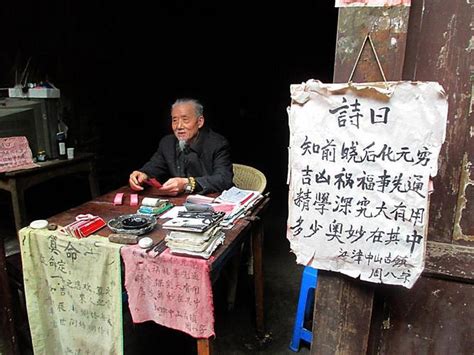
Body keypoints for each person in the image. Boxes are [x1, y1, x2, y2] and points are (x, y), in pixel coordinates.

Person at [129, 98, 234, 196]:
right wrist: (142, 174)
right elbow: (154, 167)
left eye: (185, 120)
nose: (179, 126)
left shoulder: (217, 143)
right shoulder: (167, 143)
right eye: (174, 120)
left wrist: (187, 183)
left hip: (212, 202)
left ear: (200, 122)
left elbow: (224, 179)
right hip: (178, 205)